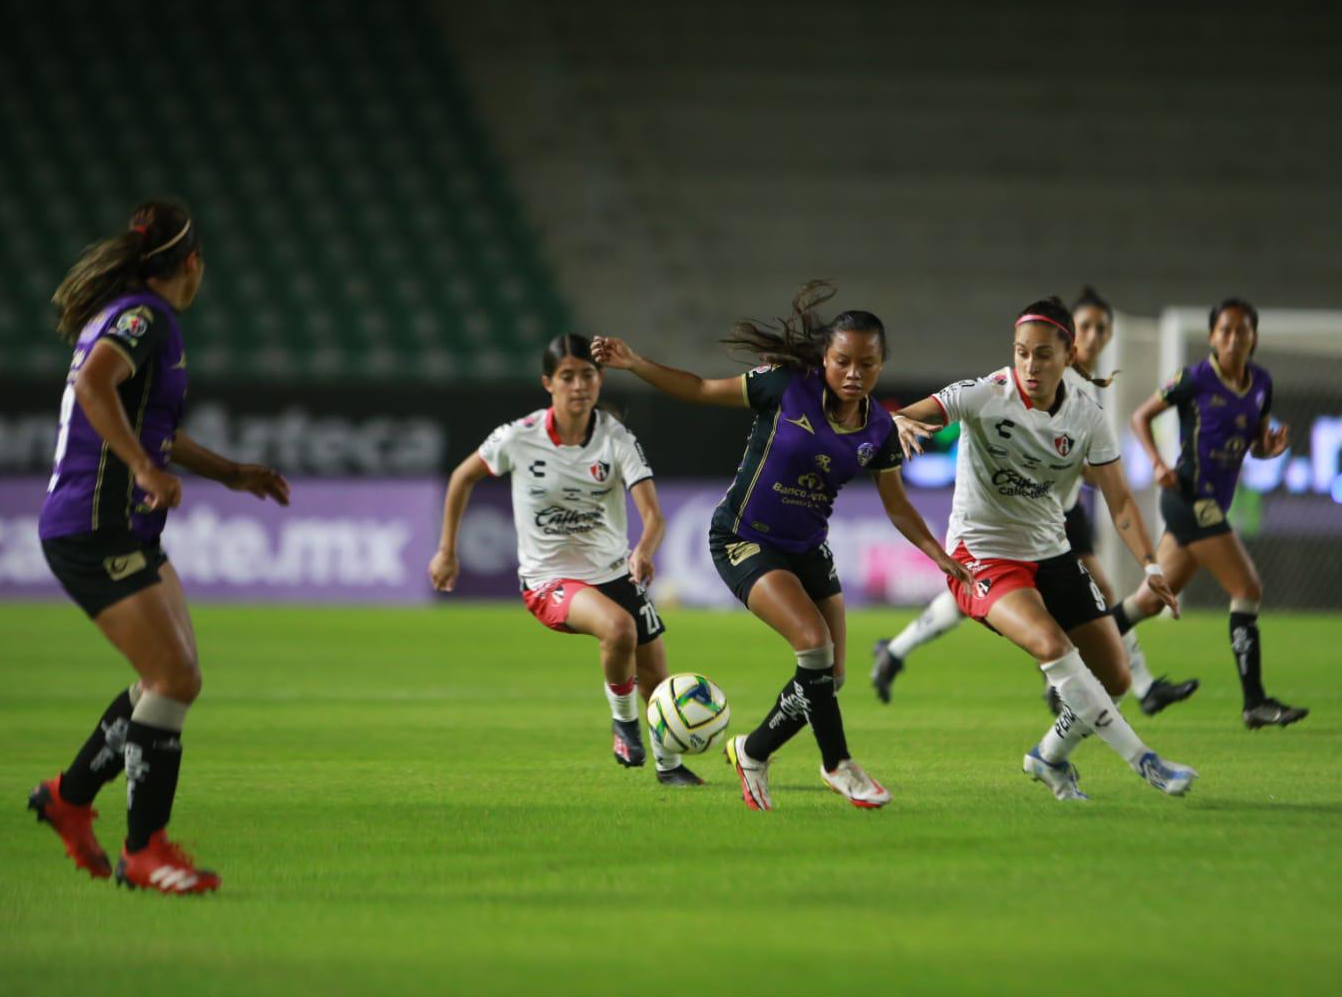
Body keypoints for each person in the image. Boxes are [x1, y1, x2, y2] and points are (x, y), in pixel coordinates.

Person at [592, 281, 969, 811]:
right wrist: (635, 363)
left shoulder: (881, 429)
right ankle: (839, 764)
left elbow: (898, 505)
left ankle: (753, 749)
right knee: (814, 645)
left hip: (807, 547)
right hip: (743, 538)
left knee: (830, 677)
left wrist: (938, 554)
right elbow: (700, 389)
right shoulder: (784, 385)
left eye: (867, 364)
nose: (854, 373)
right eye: (843, 361)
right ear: (825, 357)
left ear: (882, 365)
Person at [28, 200, 290, 894]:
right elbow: (94, 385)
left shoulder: (133, 317)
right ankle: (144, 850)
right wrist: (144, 470)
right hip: (94, 524)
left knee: (168, 681)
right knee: (173, 681)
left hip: (124, 525)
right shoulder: (145, 318)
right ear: (193, 263)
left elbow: (150, 427)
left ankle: (68, 797)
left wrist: (231, 473)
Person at [892, 296, 1197, 801]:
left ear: (1069, 354)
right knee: (1053, 647)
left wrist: (1149, 564)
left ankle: (1048, 758)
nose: (1030, 366)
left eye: (1042, 354)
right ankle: (1145, 761)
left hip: (1051, 552)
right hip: (981, 557)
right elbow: (912, 413)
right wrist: (901, 421)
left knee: (1116, 676)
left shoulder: (1087, 416)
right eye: (1021, 353)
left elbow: (1120, 500)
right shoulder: (985, 393)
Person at [429, 334, 702, 785]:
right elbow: (462, 477)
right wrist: (446, 550)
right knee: (619, 629)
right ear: (548, 383)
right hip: (549, 580)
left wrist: (644, 550)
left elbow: (653, 515)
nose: (579, 386)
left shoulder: (616, 439)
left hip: (615, 573)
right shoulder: (519, 437)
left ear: (600, 380)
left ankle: (669, 768)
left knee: (657, 676)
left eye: (588, 375)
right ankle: (623, 724)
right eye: (567, 377)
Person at [1111, 299, 1308, 729]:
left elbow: (1254, 442)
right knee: (1247, 586)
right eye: (1225, 330)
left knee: (1147, 601)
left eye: (1242, 331)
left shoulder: (1261, 384)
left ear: (1253, 337)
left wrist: (1267, 449)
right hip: (1188, 498)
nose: (1234, 338)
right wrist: (1158, 464)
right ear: (1212, 336)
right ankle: (1254, 702)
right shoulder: (1194, 379)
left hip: (1212, 504)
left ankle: (1071, 657)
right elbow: (1140, 417)